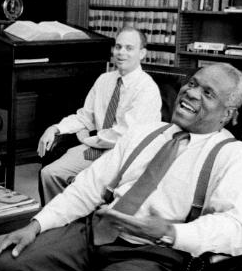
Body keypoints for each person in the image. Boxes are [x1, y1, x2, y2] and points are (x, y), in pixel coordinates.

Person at [0, 63, 242, 271]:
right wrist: (36, 225)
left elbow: (239, 231)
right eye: (193, 83)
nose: (192, 93)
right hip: (97, 230)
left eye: (208, 93)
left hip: (152, 254)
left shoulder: (234, 156)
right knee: (8, 264)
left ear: (228, 114)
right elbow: (88, 187)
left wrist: (171, 232)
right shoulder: (145, 133)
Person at [36, 25, 161, 202]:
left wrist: (86, 139)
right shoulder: (104, 80)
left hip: (123, 156)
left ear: (142, 53)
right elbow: (85, 117)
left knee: (86, 184)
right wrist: (55, 128)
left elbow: (123, 134)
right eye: (118, 47)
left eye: (129, 48)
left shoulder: (147, 89)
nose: (121, 52)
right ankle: (58, 224)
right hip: (97, 150)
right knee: (50, 173)